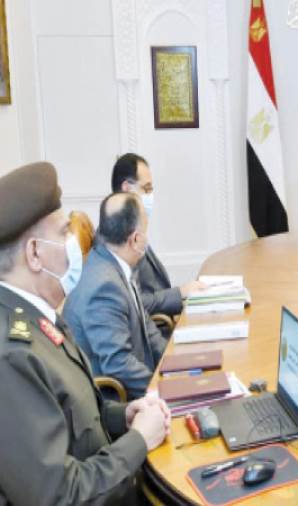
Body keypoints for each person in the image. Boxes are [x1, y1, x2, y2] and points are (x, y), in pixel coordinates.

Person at [0, 162, 170, 504]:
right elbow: (60, 495)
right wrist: (139, 441)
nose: (76, 243)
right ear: (34, 253)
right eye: (64, 232)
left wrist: (123, 416)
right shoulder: (11, 355)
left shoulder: (38, 316)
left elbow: (74, 418)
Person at [63, 192, 168, 399]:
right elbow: (119, 365)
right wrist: (164, 391)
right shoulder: (104, 287)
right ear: (135, 240)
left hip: (139, 379)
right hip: (118, 402)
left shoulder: (112, 261)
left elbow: (148, 329)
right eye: (145, 232)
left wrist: (177, 363)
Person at [111, 153, 206, 320]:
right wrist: (180, 293)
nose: (150, 196)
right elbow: (135, 302)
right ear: (127, 188)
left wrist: (184, 293)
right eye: (146, 189)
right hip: (156, 327)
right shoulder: (116, 238)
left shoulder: (134, 227)